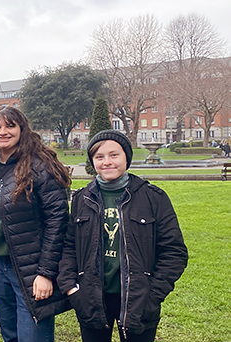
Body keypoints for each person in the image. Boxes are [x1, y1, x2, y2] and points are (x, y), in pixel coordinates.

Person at [58, 130, 188, 342]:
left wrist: (153, 294)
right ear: (92, 162)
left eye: (114, 155)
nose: (107, 162)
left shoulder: (153, 198)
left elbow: (174, 252)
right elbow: (69, 247)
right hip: (91, 298)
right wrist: (72, 289)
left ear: (127, 157)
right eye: (99, 157)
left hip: (139, 299)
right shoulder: (82, 199)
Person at [0, 106, 71, 342]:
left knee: (33, 335)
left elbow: (57, 221)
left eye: (10, 126)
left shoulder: (40, 166)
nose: (2, 132)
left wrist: (46, 273)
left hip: (29, 266)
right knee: (11, 335)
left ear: (22, 129)